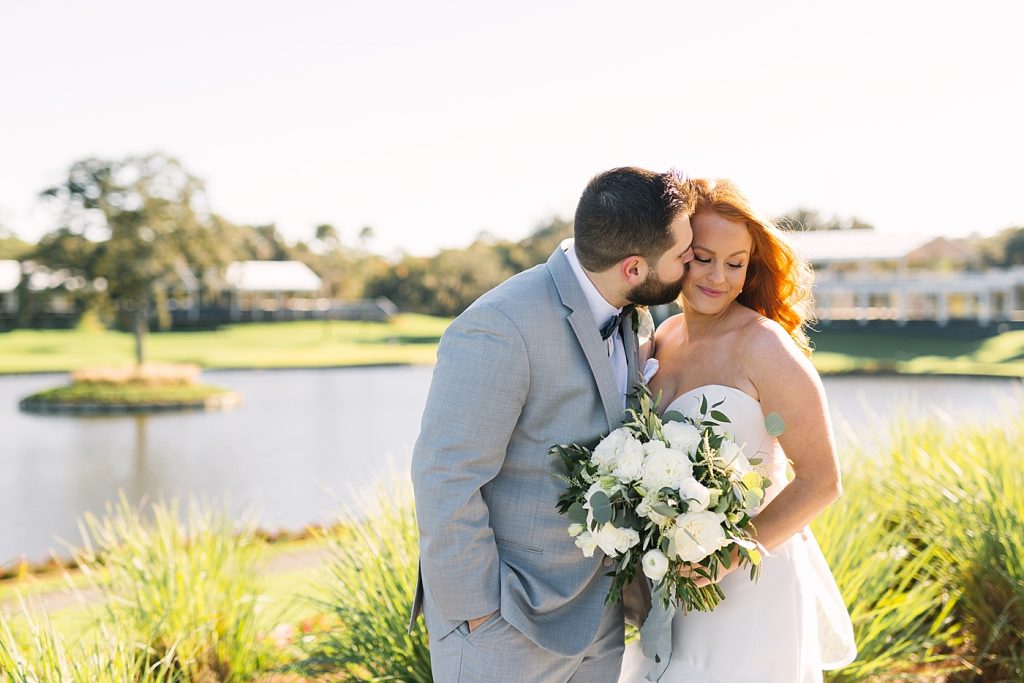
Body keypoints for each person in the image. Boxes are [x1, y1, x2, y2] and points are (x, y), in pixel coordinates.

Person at [410, 167, 697, 682]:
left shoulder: (634, 315)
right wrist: (478, 613)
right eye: (682, 254)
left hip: (598, 618)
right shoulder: (500, 325)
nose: (691, 261)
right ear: (634, 268)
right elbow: (443, 476)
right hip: (505, 625)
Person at [620, 178, 857, 682]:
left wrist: (728, 556)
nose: (718, 277)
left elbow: (821, 481)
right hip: (676, 585)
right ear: (677, 254)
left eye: (736, 263)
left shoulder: (764, 348)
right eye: (703, 258)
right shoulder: (662, 337)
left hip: (750, 583)